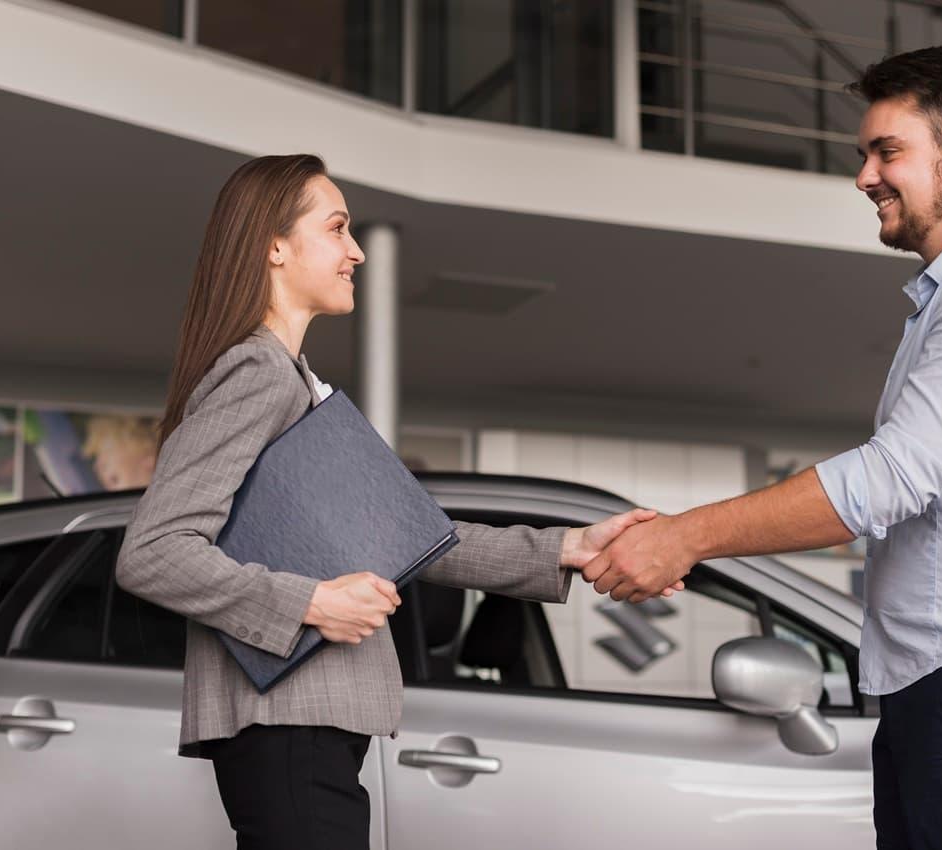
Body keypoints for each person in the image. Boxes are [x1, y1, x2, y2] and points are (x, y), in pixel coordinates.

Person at [584, 46, 942, 850]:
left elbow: (892, 478)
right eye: (865, 155)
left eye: (886, 150)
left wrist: (685, 536)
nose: (864, 176)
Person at [115, 153, 678, 850]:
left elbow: (409, 537)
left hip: (304, 726)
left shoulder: (290, 381)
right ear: (275, 246)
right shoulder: (257, 373)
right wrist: (311, 604)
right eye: (338, 229)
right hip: (290, 725)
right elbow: (153, 552)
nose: (355, 251)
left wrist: (567, 547)